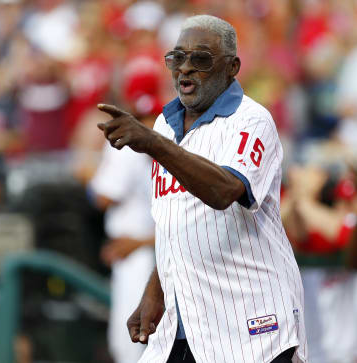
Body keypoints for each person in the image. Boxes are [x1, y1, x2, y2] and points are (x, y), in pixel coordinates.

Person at [97, 15, 308, 363]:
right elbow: (176, 223)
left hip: (253, 325)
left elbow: (223, 191)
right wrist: (156, 289)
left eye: (201, 59)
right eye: (177, 58)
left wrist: (151, 142)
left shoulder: (252, 120)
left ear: (232, 66)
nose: (185, 69)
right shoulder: (166, 124)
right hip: (188, 321)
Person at [89, 107, 156, 363]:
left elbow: (104, 197)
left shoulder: (129, 144)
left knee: (132, 344)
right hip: (147, 247)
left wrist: (87, 175)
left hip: (140, 252)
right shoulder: (168, 141)